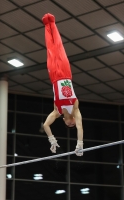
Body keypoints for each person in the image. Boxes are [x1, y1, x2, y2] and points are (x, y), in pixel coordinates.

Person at [42, 13, 83, 156]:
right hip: (65, 73)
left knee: (50, 49)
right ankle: (52, 22)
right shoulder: (75, 108)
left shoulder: (57, 111)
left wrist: (52, 140)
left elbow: (46, 125)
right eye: (72, 124)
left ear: (65, 122)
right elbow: (80, 127)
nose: (71, 125)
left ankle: (46, 25)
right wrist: (79, 144)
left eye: (68, 125)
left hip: (54, 76)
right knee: (58, 47)